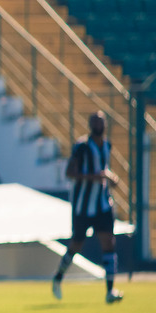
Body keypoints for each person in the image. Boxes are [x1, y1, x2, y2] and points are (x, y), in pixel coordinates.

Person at [51, 111, 123, 303]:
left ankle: (110, 290)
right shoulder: (82, 147)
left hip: (102, 204)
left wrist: (111, 178)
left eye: (101, 123)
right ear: (91, 125)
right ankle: (58, 278)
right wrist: (94, 176)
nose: (99, 126)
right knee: (76, 245)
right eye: (95, 123)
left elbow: (105, 170)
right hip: (83, 206)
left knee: (109, 243)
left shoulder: (107, 145)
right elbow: (69, 172)